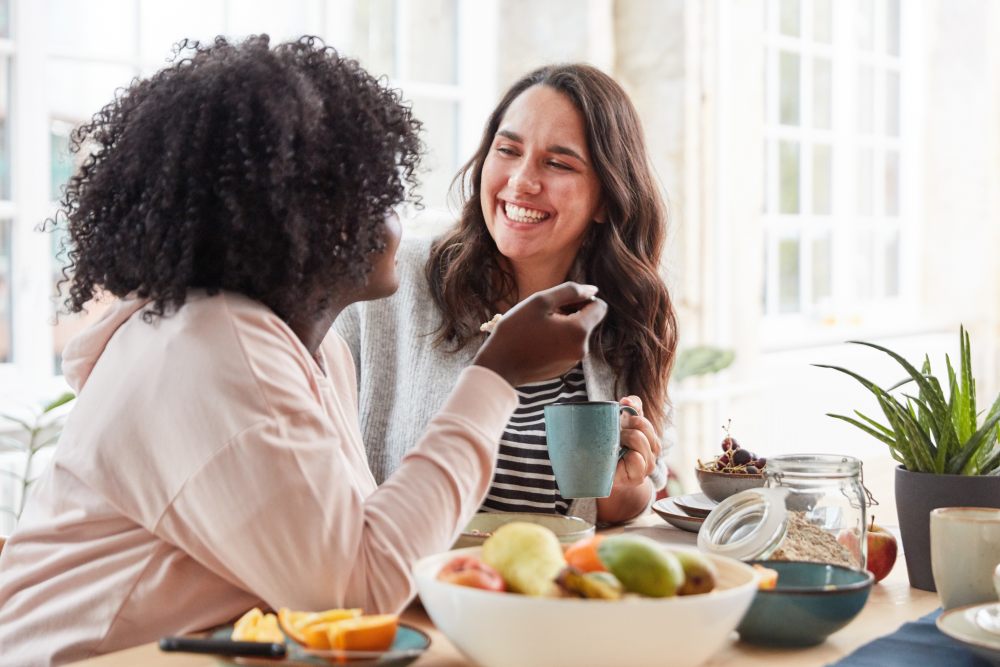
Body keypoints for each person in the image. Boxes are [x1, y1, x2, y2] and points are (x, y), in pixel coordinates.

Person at [0, 36, 606, 666]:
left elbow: (357, 553)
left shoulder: (311, 354)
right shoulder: (210, 349)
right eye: (376, 194)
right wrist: (497, 373)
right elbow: (360, 589)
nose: (398, 218)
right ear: (305, 220)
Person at [336, 64, 678, 525]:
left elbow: (615, 510)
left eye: (558, 163)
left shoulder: (628, 314)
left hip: (547, 589)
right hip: (406, 588)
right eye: (507, 150)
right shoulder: (391, 283)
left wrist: (624, 481)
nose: (521, 181)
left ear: (605, 198)